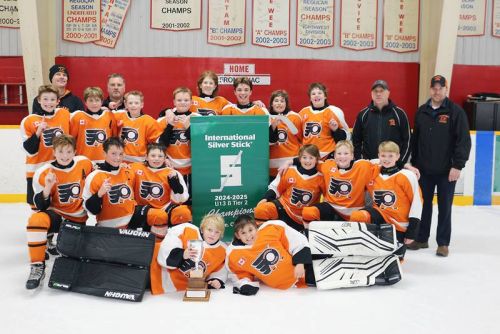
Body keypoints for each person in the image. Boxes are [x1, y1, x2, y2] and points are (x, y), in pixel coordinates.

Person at [408, 75, 471, 257]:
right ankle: (421, 238)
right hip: (424, 170)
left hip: (446, 171)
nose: (437, 91)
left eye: (440, 88)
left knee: (445, 207)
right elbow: (416, 140)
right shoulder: (421, 111)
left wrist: (457, 166)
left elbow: (464, 141)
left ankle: (443, 243)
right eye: (434, 88)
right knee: (423, 206)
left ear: (446, 89)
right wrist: (413, 163)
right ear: (430, 89)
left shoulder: (455, 112)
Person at [25, 134, 93, 289]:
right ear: (54, 152)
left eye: (69, 152)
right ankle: (37, 266)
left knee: (77, 258)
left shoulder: (84, 163)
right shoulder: (43, 172)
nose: (65, 156)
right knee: (36, 219)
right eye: (61, 152)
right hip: (57, 216)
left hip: (78, 220)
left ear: (75, 151)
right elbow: (41, 206)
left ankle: (59, 243)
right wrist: (48, 187)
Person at [82, 137, 185, 237]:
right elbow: (90, 209)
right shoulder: (94, 176)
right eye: (113, 154)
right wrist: (99, 194)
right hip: (108, 225)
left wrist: (165, 165)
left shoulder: (129, 170)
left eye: (121, 154)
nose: (118, 158)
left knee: (160, 216)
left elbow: (148, 169)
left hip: (132, 216)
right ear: (104, 153)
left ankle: (157, 248)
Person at [350, 141, 422, 246]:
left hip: (399, 224)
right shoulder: (373, 172)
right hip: (380, 216)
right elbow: (362, 162)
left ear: (398, 156)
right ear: (379, 156)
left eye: (390, 156)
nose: (386, 159)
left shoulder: (407, 176)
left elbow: (417, 203)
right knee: (358, 216)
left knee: (394, 259)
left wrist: (412, 232)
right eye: (383, 155)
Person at [226, 215, 313, 295]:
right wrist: (245, 284)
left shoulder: (271, 228)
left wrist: (300, 262)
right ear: (237, 235)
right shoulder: (234, 254)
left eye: (250, 230)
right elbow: (239, 273)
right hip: (282, 291)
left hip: (305, 272)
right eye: (243, 233)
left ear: (256, 227)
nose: (248, 235)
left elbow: (296, 240)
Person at [302, 140, 380, 223]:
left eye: (346, 153)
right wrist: (292, 161)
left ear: (352, 156)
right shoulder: (328, 165)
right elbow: (310, 161)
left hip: (354, 211)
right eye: (339, 154)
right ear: (334, 156)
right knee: (308, 212)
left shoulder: (363, 166)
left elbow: (384, 161)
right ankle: (307, 234)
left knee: (359, 217)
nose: (342, 156)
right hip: (331, 209)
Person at [151, 213, 227, 294]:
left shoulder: (223, 250)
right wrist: (183, 254)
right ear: (202, 229)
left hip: (186, 290)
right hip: (156, 274)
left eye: (217, 232)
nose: (212, 234)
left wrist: (216, 280)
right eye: (209, 230)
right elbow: (164, 254)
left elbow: (220, 270)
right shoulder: (186, 229)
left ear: (221, 235)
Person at [254, 144, 323, 232]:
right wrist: (265, 198)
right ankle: (265, 238)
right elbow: (275, 188)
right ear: (299, 158)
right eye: (304, 157)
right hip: (284, 208)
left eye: (311, 158)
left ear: (317, 159)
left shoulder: (321, 177)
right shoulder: (289, 170)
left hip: (304, 216)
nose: (307, 161)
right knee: (261, 210)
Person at [21, 85, 71, 206]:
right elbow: (29, 150)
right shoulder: (28, 120)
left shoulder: (64, 114)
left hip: (59, 171)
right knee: (38, 211)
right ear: (38, 100)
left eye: (53, 99)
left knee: (59, 210)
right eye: (45, 99)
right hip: (36, 173)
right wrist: (38, 132)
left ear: (58, 101)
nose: (49, 103)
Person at [130, 143, 191, 237]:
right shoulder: (135, 168)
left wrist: (174, 182)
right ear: (146, 157)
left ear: (165, 158)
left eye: (160, 156)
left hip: (164, 207)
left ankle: (178, 241)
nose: (156, 159)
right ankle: (154, 242)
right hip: (142, 208)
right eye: (153, 155)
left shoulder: (171, 173)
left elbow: (181, 199)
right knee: (159, 216)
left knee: (183, 212)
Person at [352, 80, 411, 167]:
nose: (378, 94)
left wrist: (399, 162)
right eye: (375, 91)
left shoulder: (399, 114)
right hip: (369, 166)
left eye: (381, 91)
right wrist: (361, 162)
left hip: (393, 166)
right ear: (371, 93)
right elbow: (355, 141)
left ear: (388, 93)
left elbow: (408, 141)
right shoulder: (363, 114)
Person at [158, 87, 198, 204]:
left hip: (192, 169)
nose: (183, 103)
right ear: (174, 102)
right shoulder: (164, 120)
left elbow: (201, 144)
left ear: (191, 102)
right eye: (179, 100)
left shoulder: (197, 118)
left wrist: (188, 127)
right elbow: (160, 144)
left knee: (190, 201)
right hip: (171, 168)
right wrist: (170, 125)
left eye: (186, 100)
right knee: (174, 201)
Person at [299, 82, 350, 159]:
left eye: (320, 93)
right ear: (310, 98)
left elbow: (346, 138)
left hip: (328, 155)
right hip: (308, 156)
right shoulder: (303, 112)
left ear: (325, 96)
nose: (316, 95)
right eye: (313, 94)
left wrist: (336, 130)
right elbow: (297, 136)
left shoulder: (335, 111)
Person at [70, 86, 117, 163]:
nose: (94, 103)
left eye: (97, 100)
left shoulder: (109, 116)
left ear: (101, 102)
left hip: (105, 160)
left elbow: (113, 139)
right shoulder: (77, 117)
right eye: (90, 100)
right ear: (85, 102)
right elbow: (71, 140)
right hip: (83, 160)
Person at [114, 90, 162, 163]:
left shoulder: (149, 121)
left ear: (142, 104)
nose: (133, 105)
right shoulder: (118, 116)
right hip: (120, 160)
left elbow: (156, 143)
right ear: (125, 104)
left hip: (140, 161)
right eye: (130, 103)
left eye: (136, 103)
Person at [268, 90, 302, 180]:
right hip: (272, 168)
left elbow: (302, 140)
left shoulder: (295, 117)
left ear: (286, 104)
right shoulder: (266, 118)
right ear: (271, 104)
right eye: (276, 101)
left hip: (292, 165)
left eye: (282, 101)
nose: (279, 103)